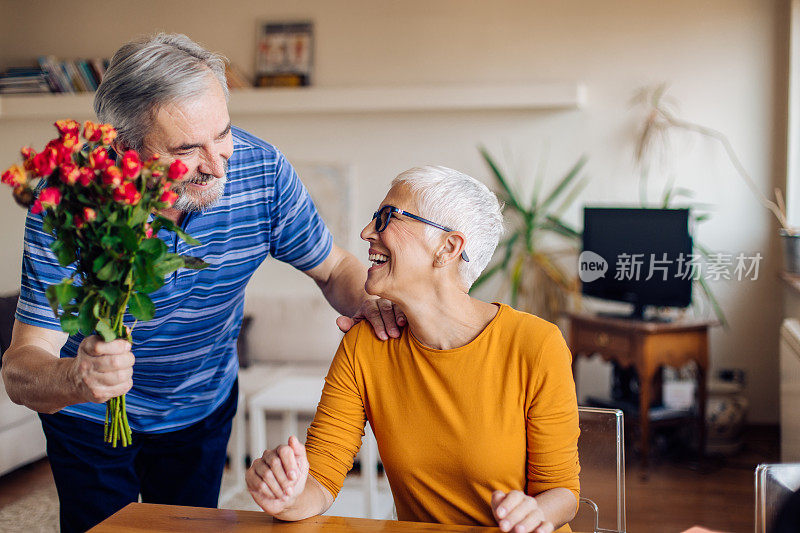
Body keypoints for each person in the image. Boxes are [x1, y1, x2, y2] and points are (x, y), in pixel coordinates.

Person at [0, 33, 402, 533]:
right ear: (122, 148)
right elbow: (21, 367)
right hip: (89, 416)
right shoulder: (70, 198)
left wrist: (373, 303)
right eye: (187, 149)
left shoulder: (261, 171)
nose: (216, 165)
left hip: (202, 407)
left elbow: (334, 268)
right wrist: (77, 379)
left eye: (223, 134)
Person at [247, 166, 581, 533]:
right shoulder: (365, 344)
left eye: (388, 217)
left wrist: (533, 513)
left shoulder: (535, 344)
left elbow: (562, 491)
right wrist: (288, 495)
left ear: (448, 247)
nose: (367, 232)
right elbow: (321, 477)